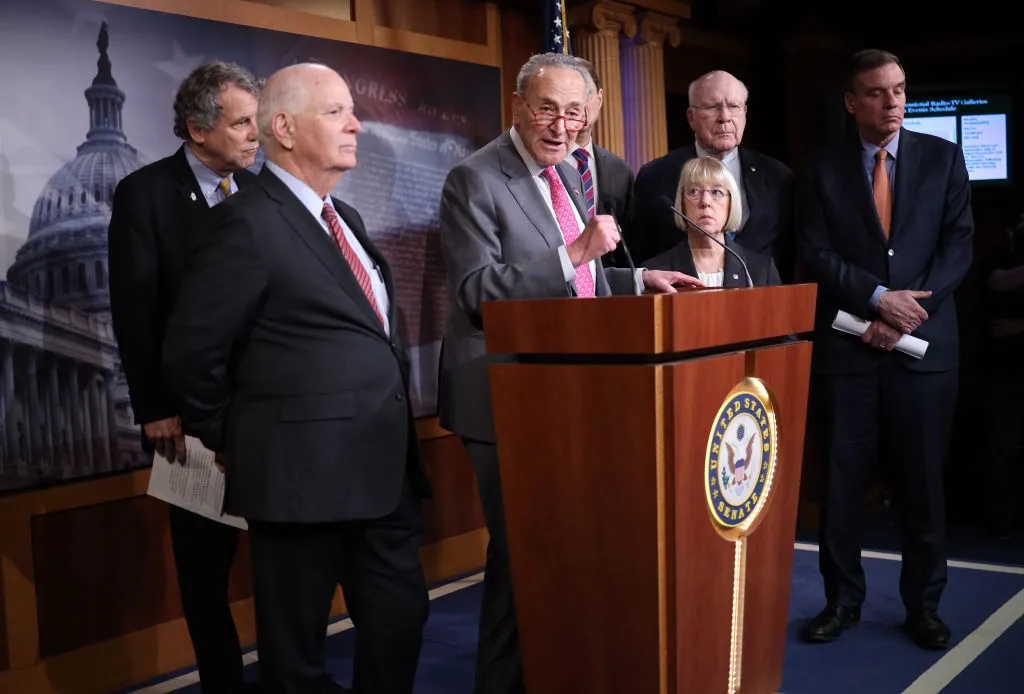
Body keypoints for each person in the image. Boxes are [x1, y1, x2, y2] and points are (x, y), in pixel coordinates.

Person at [437, 52, 702, 694]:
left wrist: (637, 279)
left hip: (567, 393)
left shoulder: (574, 175)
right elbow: (478, 292)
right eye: (548, 110)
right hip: (502, 394)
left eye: (575, 113)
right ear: (519, 108)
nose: (562, 126)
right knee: (521, 558)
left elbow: (570, 281)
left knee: (559, 555)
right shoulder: (475, 179)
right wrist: (577, 250)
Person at [162, 62, 431, 694]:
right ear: (282, 127)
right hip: (296, 486)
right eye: (336, 111)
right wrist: (244, 441)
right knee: (297, 662)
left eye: (351, 108)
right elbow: (189, 356)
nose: (356, 123)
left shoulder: (350, 222)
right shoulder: (245, 224)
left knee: (402, 622)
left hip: (383, 477)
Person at [797, 49, 973, 650]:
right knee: (842, 487)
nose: (892, 102)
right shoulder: (821, 170)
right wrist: (877, 299)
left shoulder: (943, 158)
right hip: (848, 352)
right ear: (852, 102)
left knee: (923, 486)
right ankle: (841, 603)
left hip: (924, 351)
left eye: (899, 90)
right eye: (876, 93)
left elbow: (958, 248)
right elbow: (815, 254)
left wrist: (905, 315)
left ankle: (922, 608)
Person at [107, 61, 261, 694]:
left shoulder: (261, 192)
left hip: (263, 414)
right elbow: (135, 310)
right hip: (187, 423)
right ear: (199, 129)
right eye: (243, 122)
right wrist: (156, 407)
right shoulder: (145, 194)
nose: (257, 135)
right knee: (204, 574)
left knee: (281, 564)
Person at [629, 70, 795, 279]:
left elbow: (788, 253)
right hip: (682, 299)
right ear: (691, 117)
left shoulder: (778, 177)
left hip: (761, 300)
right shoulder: (655, 176)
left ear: (744, 113)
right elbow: (642, 254)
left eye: (733, 107)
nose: (725, 117)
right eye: (712, 107)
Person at [643, 156, 780, 287]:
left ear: (731, 204)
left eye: (716, 192)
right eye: (694, 191)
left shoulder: (762, 270)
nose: (705, 202)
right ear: (682, 203)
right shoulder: (655, 272)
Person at [566, 56, 634, 267]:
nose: (579, 105)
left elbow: (628, 247)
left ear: (600, 99)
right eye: (571, 97)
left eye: (586, 95)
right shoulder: (542, 165)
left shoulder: (619, 171)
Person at [981, 212, 1024, 538]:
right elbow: (999, 281)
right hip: (1006, 371)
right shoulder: (999, 259)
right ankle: (1003, 524)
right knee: (1004, 450)